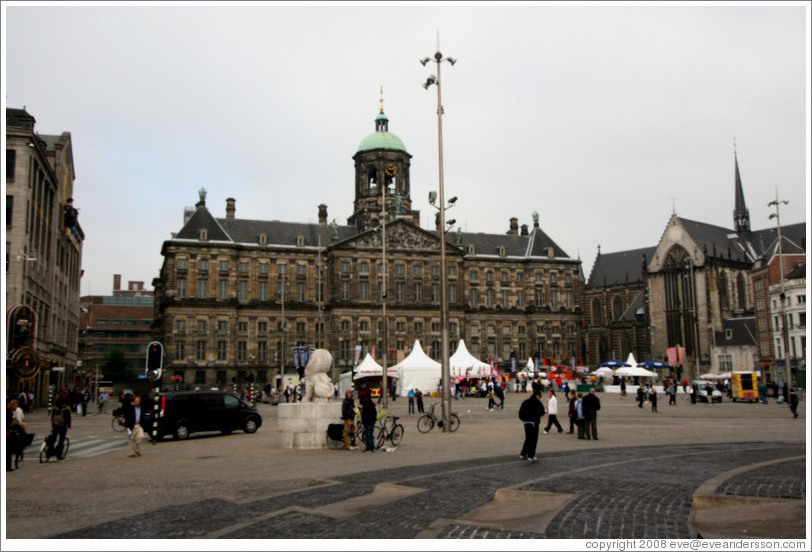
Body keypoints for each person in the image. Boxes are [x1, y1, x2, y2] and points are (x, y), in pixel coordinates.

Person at [518, 389, 545, 462]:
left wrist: (525, 419)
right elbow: (542, 412)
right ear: (538, 396)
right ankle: (531, 455)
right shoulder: (537, 402)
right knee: (533, 439)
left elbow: (520, 414)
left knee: (528, 438)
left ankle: (523, 453)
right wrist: (535, 420)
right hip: (534, 423)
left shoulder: (525, 402)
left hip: (526, 423)